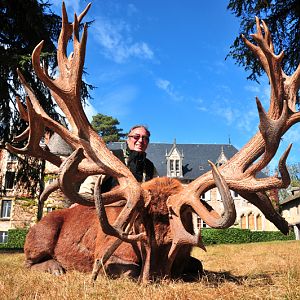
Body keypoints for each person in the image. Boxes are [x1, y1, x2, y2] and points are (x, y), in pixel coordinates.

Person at [79, 125, 157, 195]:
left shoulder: (150, 167)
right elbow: (91, 182)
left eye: (145, 138)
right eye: (136, 137)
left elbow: (159, 189)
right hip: (108, 209)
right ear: (128, 139)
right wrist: (83, 200)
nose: (140, 141)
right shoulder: (112, 156)